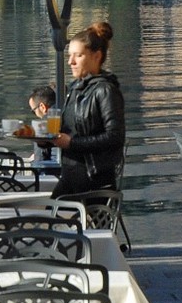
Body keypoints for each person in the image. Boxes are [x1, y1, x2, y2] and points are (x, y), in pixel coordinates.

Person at [49, 21, 126, 196]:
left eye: (78, 56)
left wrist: (71, 143)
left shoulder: (105, 90)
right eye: (70, 55)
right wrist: (46, 139)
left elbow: (115, 136)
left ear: (96, 56)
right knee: (49, 219)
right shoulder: (76, 88)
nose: (70, 62)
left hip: (94, 181)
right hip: (70, 176)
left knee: (50, 219)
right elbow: (70, 130)